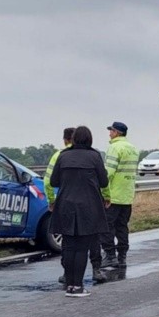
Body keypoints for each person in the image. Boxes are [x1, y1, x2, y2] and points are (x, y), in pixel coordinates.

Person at [50, 126, 109, 297]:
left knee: (68, 247)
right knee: (82, 247)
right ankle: (78, 286)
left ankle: (69, 285)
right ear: (90, 139)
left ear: (74, 138)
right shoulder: (94, 156)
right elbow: (104, 182)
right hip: (88, 206)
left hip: (66, 205)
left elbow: (54, 181)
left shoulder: (63, 155)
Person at [100, 121, 139, 269]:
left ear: (117, 133)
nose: (109, 133)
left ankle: (110, 256)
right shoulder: (133, 149)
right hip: (127, 195)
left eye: (111, 131)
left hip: (113, 195)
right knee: (122, 227)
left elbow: (108, 173)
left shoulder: (114, 147)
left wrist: (103, 192)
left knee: (107, 226)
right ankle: (122, 257)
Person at [44, 127, 74, 285]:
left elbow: (48, 181)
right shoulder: (92, 154)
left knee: (67, 238)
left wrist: (51, 200)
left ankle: (67, 273)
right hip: (86, 204)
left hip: (64, 201)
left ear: (65, 140)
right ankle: (95, 268)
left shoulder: (59, 156)